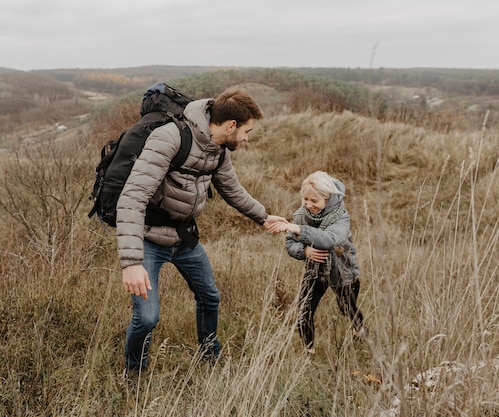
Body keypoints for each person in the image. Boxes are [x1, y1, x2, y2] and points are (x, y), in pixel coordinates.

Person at [116, 86, 287, 374]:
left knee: (210, 298)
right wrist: (131, 262)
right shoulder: (169, 137)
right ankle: (134, 374)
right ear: (231, 126)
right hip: (148, 239)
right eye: (247, 131)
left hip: (184, 238)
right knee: (147, 318)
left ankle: (210, 357)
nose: (246, 139)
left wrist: (264, 217)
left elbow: (233, 191)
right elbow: (133, 196)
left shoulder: (218, 150)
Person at [276, 171, 365, 354]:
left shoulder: (341, 217)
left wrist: (299, 229)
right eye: (305, 199)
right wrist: (304, 250)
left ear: (328, 198)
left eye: (314, 201)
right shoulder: (301, 215)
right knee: (304, 310)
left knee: (347, 306)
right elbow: (290, 243)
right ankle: (309, 351)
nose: (308, 205)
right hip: (315, 272)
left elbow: (329, 239)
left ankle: (360, 331)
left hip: (341, 271)